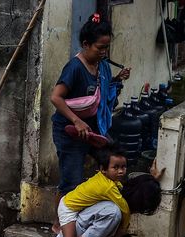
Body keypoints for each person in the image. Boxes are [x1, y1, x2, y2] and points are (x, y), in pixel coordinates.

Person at [50, 14, 131, 195]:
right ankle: (60, 223)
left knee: (114, 160)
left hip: (93, 128)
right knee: (72, 184)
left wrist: (118, 79)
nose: (103, 52)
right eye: (100, 48)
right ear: (86, 44)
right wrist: (76, 121)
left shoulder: (102, 66)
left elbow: (101, 91)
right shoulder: (74, 68)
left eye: (106, 48)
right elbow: (56, 97)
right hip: (69, 130)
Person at [41, 146, 129, 237]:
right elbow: (124, 207)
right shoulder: (107, 188)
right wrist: (124, 227)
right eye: (116, 167)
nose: (120, 171)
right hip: (68, 207)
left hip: (76, 206)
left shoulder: (110, 181)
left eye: (123, 167)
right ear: (103, 169)